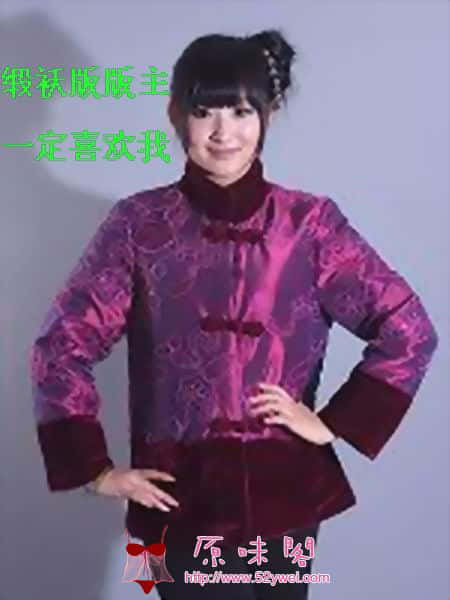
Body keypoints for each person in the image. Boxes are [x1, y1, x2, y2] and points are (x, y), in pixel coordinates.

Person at [30, 29, 439, 599]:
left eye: (242, 111)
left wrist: (333, 422)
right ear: (176, 115)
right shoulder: (138, 225)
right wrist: (94, 470)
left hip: (287, 492)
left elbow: (408, 328)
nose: (224, 132)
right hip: (178, 498)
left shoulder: (309, 225)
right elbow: (61, 347)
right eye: (204, 112)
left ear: (268, 115)